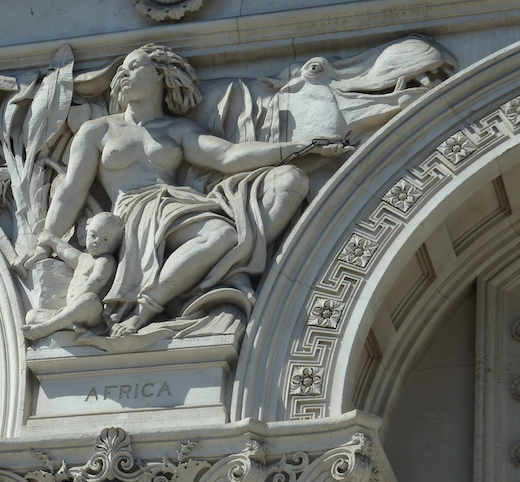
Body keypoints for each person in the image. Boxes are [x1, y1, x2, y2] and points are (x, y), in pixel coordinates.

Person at [18, 44, 350, 337]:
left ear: (161, 74)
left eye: (135, 67)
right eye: (121, 69)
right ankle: (148, 306)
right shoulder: (97, 130)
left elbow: (228, 156)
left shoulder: (178, 129)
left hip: (173, 204)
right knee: (220, 234)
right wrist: (46, 240)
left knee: (223, 232)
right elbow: (71, 191)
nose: (123, 74)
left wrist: (303, 147)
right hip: (130, 213)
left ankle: (148, 308)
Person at [21, 212, 124, 341]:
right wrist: (50, 239)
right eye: (93, 235)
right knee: (32, 316)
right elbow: (65, 251)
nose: (97, 241)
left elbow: (96, 281)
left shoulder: (105, 260)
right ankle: (68, 322)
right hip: (71, 309)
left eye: (105, 239)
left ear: (117, 242)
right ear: (87, 229)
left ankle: (47, 327)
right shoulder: (83, 258)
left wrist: (75, 301)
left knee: (88, 299)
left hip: (92, 313)